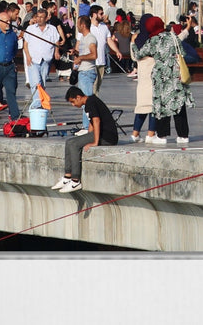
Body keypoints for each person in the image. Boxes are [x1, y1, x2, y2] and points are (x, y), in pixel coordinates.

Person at [132, 15, 194, 145]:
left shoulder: (153, 41)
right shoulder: (173, 37)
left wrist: (133, 43)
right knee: (178, 105)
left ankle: (162, 136)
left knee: (162, 105)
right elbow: (182, 52)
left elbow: (138, 55)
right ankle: (183, 136)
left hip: (161, 77)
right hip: (176, 74)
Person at [52, 85, 119, 192]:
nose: (73, 105)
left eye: (73, 102)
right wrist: (87, 137)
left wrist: (95, 142)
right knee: (69, 142)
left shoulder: (90, 103)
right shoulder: (90, 102)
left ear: (78, 97)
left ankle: (75, 180)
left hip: (107, 136)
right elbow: (92, 122)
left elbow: (96, 121)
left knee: (74, 144)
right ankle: (67, 176)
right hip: (103, 134)